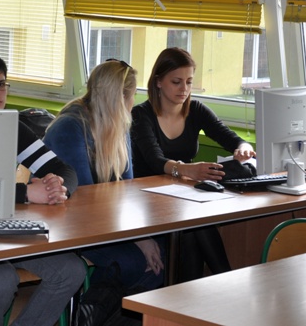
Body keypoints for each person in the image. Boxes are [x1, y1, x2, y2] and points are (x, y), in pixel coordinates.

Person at [0, 51, 86, 326]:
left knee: (71, 270)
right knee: (0, 280)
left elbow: (64, 169)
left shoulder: (11, 127)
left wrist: (58, 187)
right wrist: (24, 193)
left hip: (4, 231)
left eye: (1, 84)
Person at [130, 47, 256, 282]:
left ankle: (210, 289)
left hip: (183, 195)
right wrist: (187, 169)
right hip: (145, 197)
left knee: (193, 226)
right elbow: (155, 160)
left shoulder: (196, 110)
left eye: (189, 82)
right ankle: (226, 282)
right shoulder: (141, 114)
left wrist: (243, 147)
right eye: (176, 82)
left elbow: (231, 138)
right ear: (158, 82)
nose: (184, 89)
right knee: (195, 225)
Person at [44, 60, 165, 297]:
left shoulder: (118, 125)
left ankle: (105, 309)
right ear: (120, 97)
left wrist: (141, 236)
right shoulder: (69, 127)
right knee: (134, 262)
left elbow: (126, 190)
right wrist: (139, 239)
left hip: (104, 223)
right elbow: (84, 200)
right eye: (133, 94)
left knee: (162, 253)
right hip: (69, 226)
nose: (134, 102)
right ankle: (91, 307)